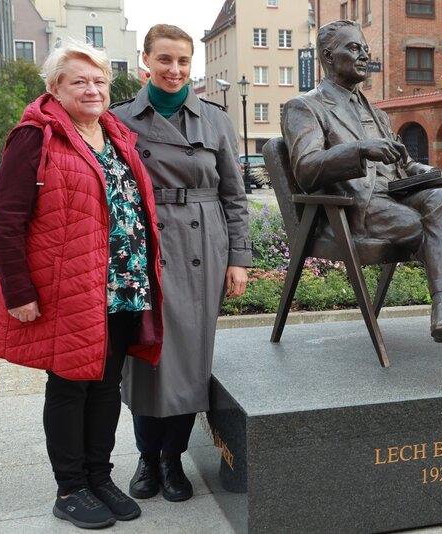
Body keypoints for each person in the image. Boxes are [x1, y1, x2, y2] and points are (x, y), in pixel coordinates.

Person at [0, 41, 163, 529]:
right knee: (70, 386)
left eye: (100, 81)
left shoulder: (116, 135)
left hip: (122, 286)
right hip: (69, 288)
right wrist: (19, 291)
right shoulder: (35, 137)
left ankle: (99, 476)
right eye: (79, 81)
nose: (92, 89)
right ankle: (70, 488)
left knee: (107, 385)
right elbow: (6, 219)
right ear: (55, 88)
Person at [281, 20, 442, 365]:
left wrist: (429, 172)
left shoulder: (375, 112)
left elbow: (404, 164)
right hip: (351, 209)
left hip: (395, 196)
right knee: (438, 232)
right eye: (353, 48)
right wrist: (360, 150)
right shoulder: (304, 107)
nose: (364, 54)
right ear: (328, 57)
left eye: (365, 48)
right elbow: (307, 170)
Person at [111, 24, 252, 502]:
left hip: (202, 244)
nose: (175, 70)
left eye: (184, 61)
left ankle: (173, 461)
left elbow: (235, 195)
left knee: (191, 359)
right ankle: (146, 460)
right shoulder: (120, 119)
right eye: (165, 59)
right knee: (146, 359)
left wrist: (239, 259)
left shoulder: (215, 119)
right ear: (145, 60)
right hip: (145, 246)